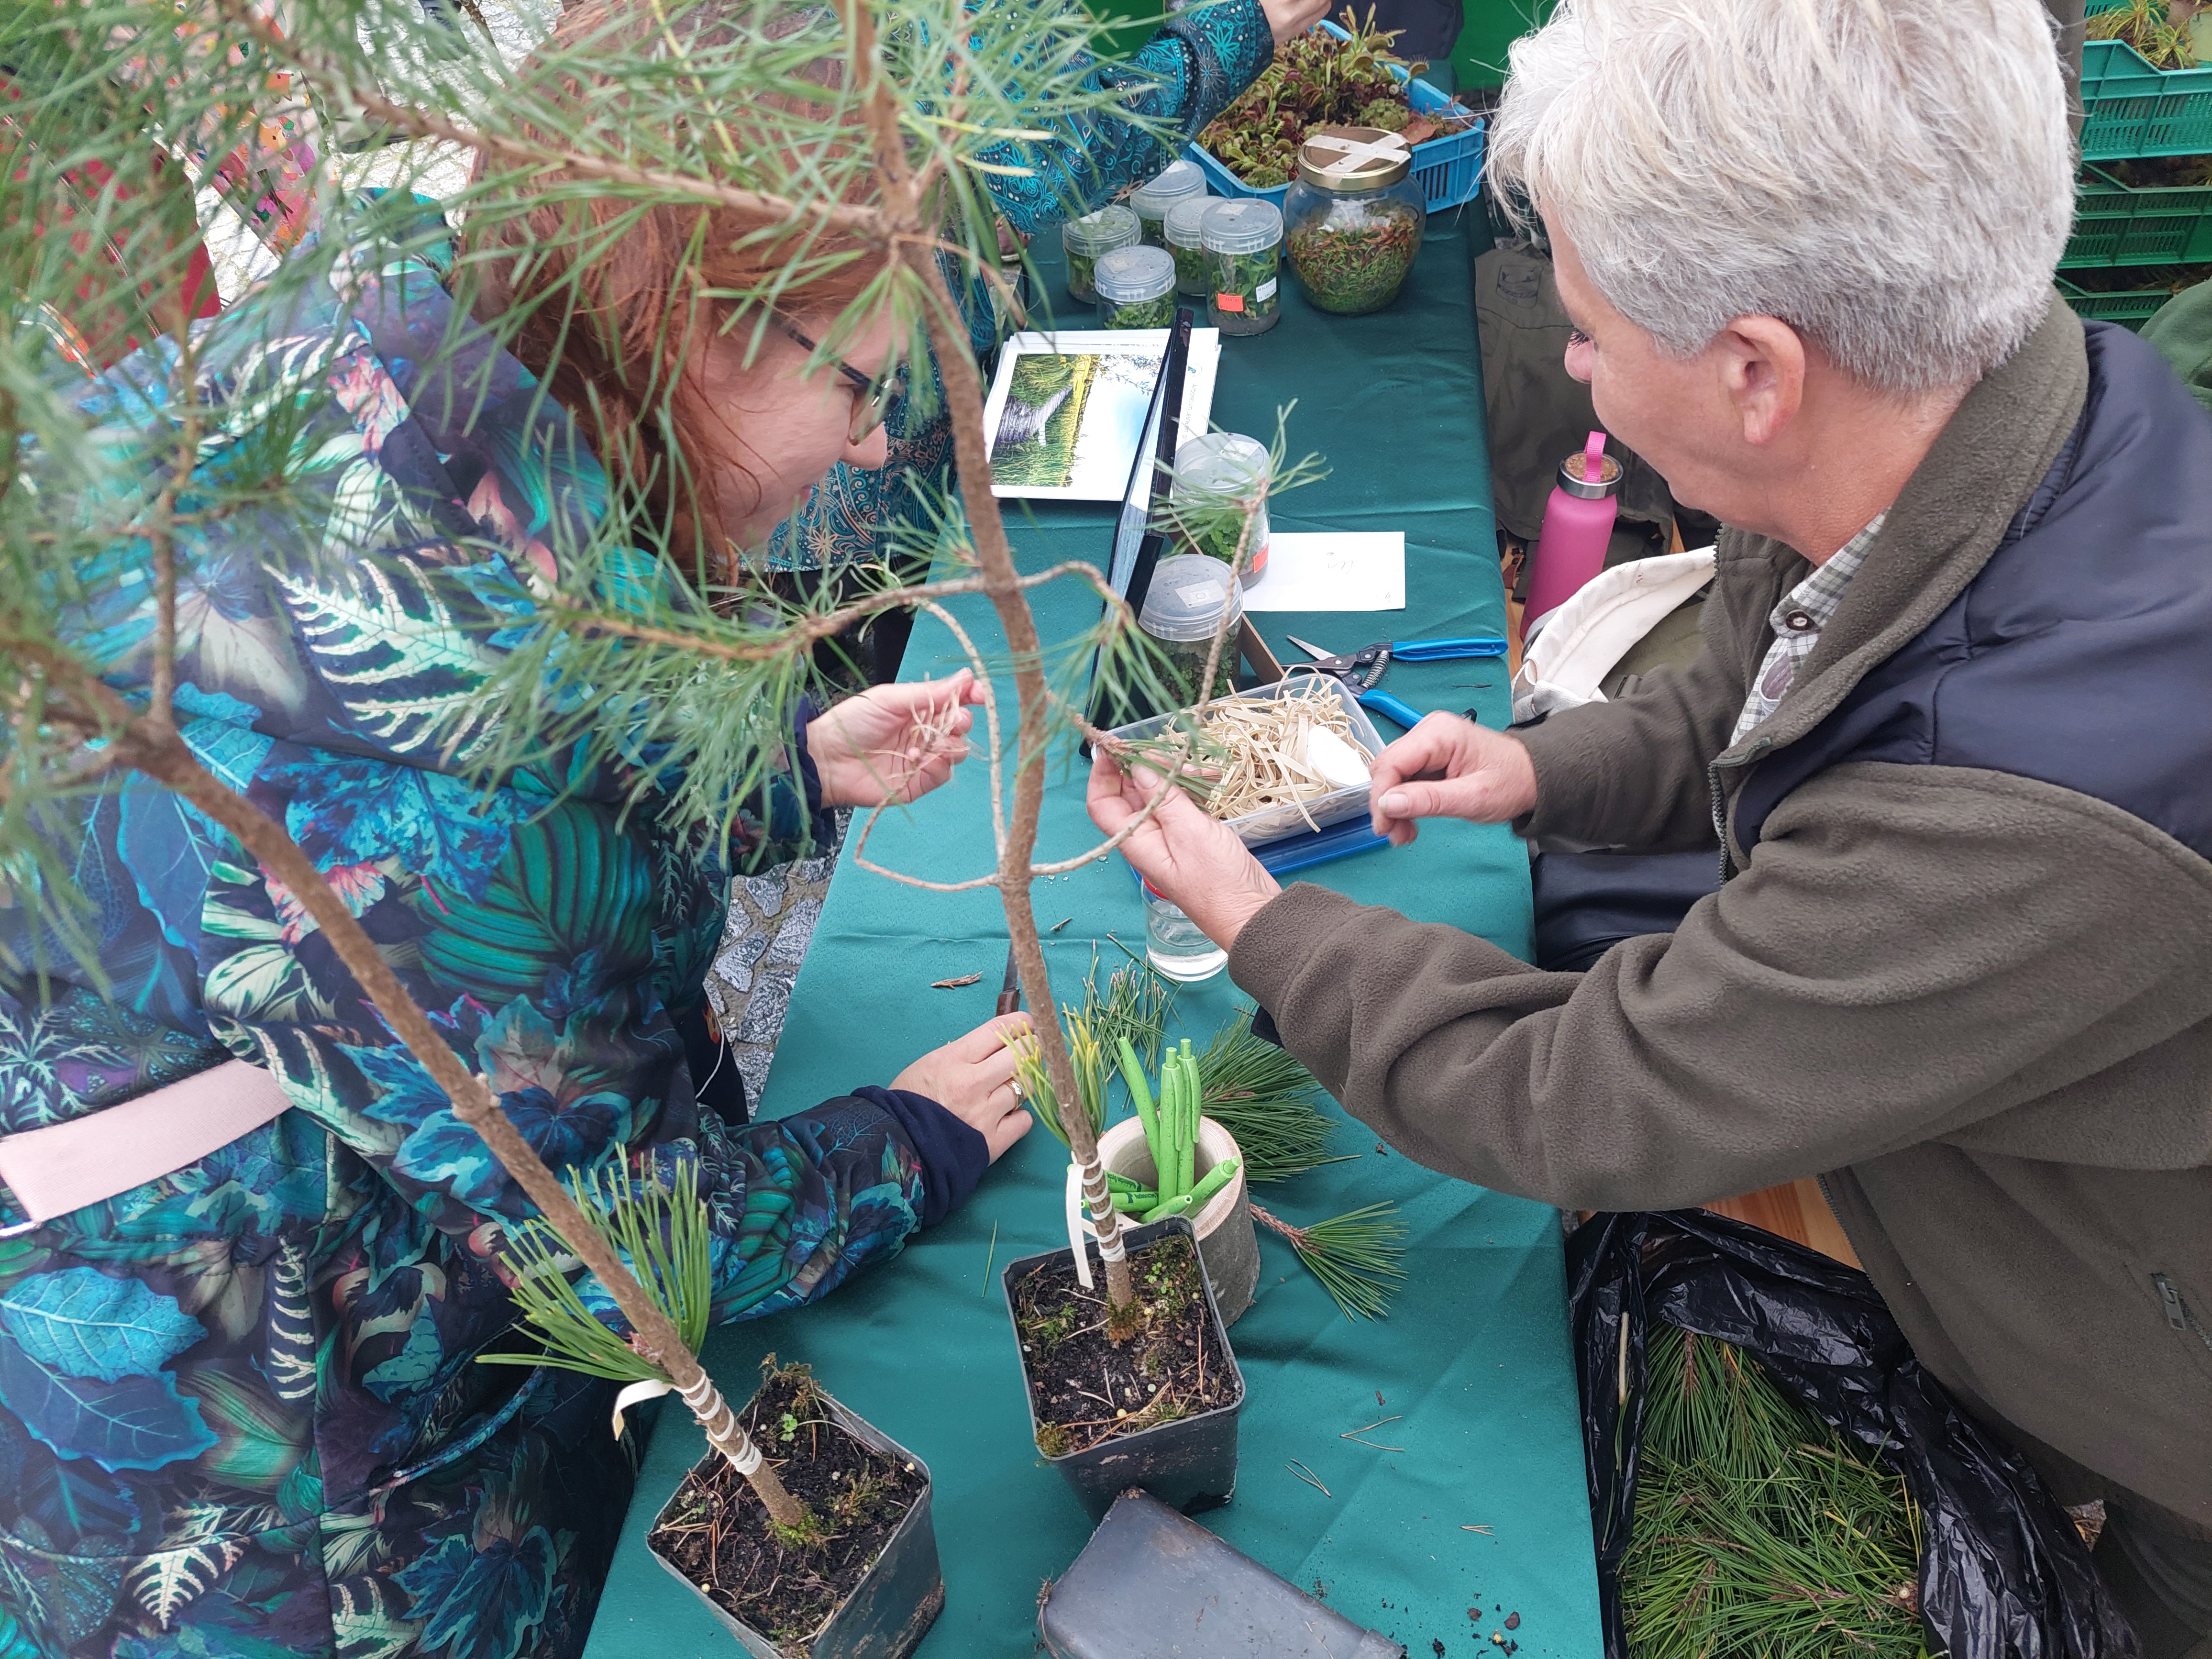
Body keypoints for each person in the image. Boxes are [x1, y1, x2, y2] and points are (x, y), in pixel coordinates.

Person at [1088, 0, 2212, 1650]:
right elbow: (1757, 702)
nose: (1571, 363)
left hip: (2155, 1379)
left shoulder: (2024, 811)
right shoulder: (1960, 413)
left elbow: (1585, 1093)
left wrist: (1270, 928)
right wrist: (1555, 770)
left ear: (1758, 371)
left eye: (1595, 330)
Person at [0, 15, 1070, 1659]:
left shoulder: (390, 330)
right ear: (693, 326)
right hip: (290, 1470)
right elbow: (621, 1240)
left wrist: (775, 762)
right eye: (859, 383)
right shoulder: (435, 814)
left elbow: (536, 691)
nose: (869, 442)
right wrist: (906, 1142)